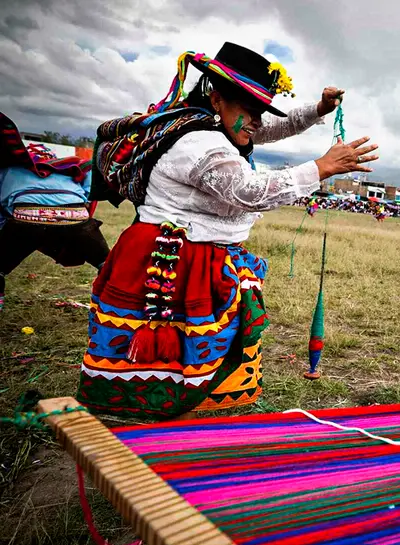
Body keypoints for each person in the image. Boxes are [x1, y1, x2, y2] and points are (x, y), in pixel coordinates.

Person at [78, 42, 378, 418]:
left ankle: (173, 410)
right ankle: (138, 420)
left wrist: (318, 109)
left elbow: (272, 126)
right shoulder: (198, 141)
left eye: (260, 111)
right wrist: (321, 167)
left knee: (192, 351)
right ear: (217, 99)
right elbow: (247, 192)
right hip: (169, 259)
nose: (256, 122)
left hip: (195, 256)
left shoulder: (215, 124)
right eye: (249, 110)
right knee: (160, 349)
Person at [0, 115, 110, 312]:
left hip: (25, 219)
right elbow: (90, 194)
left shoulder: (9, 168)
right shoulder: (71, 167)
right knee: (107, 266)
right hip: (76, 218)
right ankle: (116, 306)